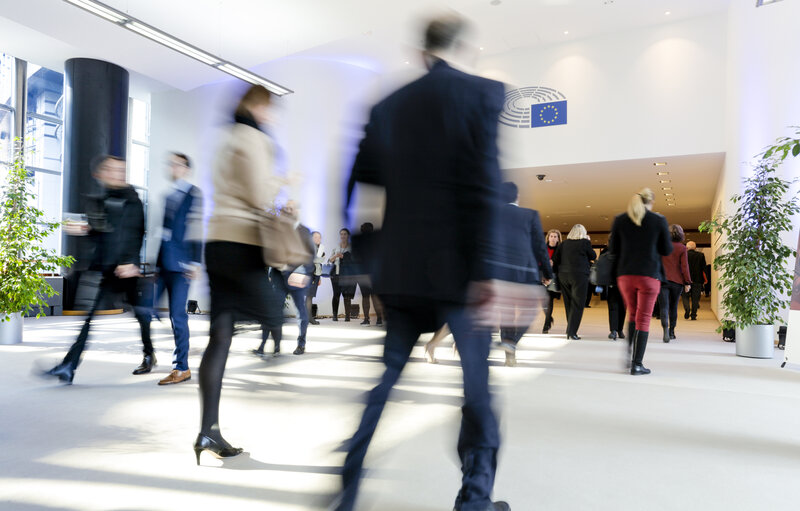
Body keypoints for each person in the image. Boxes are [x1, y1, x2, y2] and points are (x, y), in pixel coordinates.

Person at [336, 14, 510, 511]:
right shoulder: (481, 94)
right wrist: (485, 271)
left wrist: (370, 255)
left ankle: (347, 487)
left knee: (386, 380)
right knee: (477, 390)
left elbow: (351, 184)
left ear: (422, 52)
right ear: (463, 47)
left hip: (402, 272)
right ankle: (474, 499)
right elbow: (484, 187)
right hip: (458, 272)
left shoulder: (387, 104)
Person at [194, 84, 287, 464]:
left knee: (221, 335)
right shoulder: (254, 138)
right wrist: (286, 184)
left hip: (217, 241)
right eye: (270, 108)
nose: (272, 116)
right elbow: (259, 193)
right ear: (258, 105)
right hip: (242, 243)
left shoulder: (225, 137)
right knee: (274, 313)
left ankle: (208, 429)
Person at [41, 155, 150, 384]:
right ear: (101, 173)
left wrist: (131, 262)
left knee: (141, 315)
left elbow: (136, 232)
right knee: (89, 319)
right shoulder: (103, 199)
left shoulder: (133, 200)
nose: (116, 173)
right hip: (107, 267)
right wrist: (86, 229)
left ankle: (149, 354)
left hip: (126, 269)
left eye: (120, 169)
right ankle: (69, 366)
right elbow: (105, 231)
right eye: (110, 169)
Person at [147, 152, 203, 385]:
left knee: (177, 316)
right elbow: (165, 234)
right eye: (170, 163)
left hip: (182, 267)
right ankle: (149, 355)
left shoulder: (193, 194)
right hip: (164, 264)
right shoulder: (168, 196)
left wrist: (196, 262)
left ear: (186, 168)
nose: (172, 167)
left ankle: (182, 368)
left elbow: (197, 229)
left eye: (176, 164)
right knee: (144, 308)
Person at [608, 188, 672, 375]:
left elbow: (613, 249)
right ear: (650, 202)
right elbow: (667, 249)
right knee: (643, 319)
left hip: (625, 275)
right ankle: (637, 364)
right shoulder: (658, 220)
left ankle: (628, 355)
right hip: (649, 275)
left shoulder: (620, 220)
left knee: (633, 315)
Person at [496, 181, 552, 366]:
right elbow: (540, 247)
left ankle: (508, 352)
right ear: (517, 197)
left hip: (501, 272)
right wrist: (547, 272)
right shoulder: (530, 215)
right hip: (526, 272)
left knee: (507, 313)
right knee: (529, 310)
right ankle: (511, 343)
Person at [253, 200, 314, 355]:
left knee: (301, 312)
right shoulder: (276, 229)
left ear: (297, 211)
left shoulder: (305, 231)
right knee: (272, 311)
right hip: (278, 276)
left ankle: (301, 344)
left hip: (297, 277)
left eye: (291, 208)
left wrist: (304, 274)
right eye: (285, 208)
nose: (288, 211)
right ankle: (265, 345)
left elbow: (310, 256)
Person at [552, 224, 596, 340]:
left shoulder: (563, 244)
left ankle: (570, 329)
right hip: (579, 276)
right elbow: (593, 255)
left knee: (568, 303)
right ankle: (572, 332)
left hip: (564, 276)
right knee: (578, 304)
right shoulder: (584, 243)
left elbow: (555, 259)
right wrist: (588, 241)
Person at [658, 224, 691, 342]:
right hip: (677, 282)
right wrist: (687, 282)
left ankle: (665, 330)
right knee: (673, 306)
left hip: (662, 281)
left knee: (663, 307)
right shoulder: (682, 248)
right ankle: (672, 332)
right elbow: (684, 267)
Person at [354, 222, 384, 326]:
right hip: (374, 274)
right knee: (375, 296)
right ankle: (379, 319)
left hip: (363, 273)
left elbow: (356, 259)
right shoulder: (377, 242)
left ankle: (366, 319)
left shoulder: (359, 242)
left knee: (365, 297)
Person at [600, 240, 626, 340]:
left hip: (615, 283)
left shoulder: (606, 251)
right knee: (617, 307)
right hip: (616, 283)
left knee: (617, 307)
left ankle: (617, 330)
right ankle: (616, 330)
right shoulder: (607, 252)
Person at [328, 228, 355, 321]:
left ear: (348, 236)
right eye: (341, 234)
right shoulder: (336, 247)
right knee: (336, 294)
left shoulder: (351, 247)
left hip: (347, 274)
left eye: (345, 234)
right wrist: (336, 256)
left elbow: (354, 261)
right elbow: (329, 260)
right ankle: (334, 315)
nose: (343, 236)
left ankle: (347, 316)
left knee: (346, 295)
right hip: (336, 273)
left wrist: (344, 256)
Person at [542, 229, 561, 334]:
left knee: (549, 300)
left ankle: (546, 324)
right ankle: (549, 318)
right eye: (551, 236)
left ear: (558, 238)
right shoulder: (543, 248)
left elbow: (562, 263)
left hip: (553, 277)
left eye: (555, 236)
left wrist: (555, 263)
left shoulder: (560, 249)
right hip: (542, 276)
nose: (553, 238)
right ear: (548, 237)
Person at [683, 241, 707, 320]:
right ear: (695, 248)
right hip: (698, 280)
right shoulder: (701, 255)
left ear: (686, 248)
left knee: (685, 296)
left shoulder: (684, 255)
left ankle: (687, 309)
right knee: (695, 298)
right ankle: (693, 315)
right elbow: (704, 268)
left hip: (686, 279)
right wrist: (705, 279)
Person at [306, 231, 325, 325]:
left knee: (310, 296)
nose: (318, 239)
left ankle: (308, 317)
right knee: (309, 296)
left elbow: (319, 263)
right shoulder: (308, 247)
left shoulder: (321, 248)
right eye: (315, 237)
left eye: (319, 237)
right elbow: (311, 260)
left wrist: (320, 278)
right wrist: (318, 259)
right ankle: (308, 318)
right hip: (309, 274)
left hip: (316, 274)